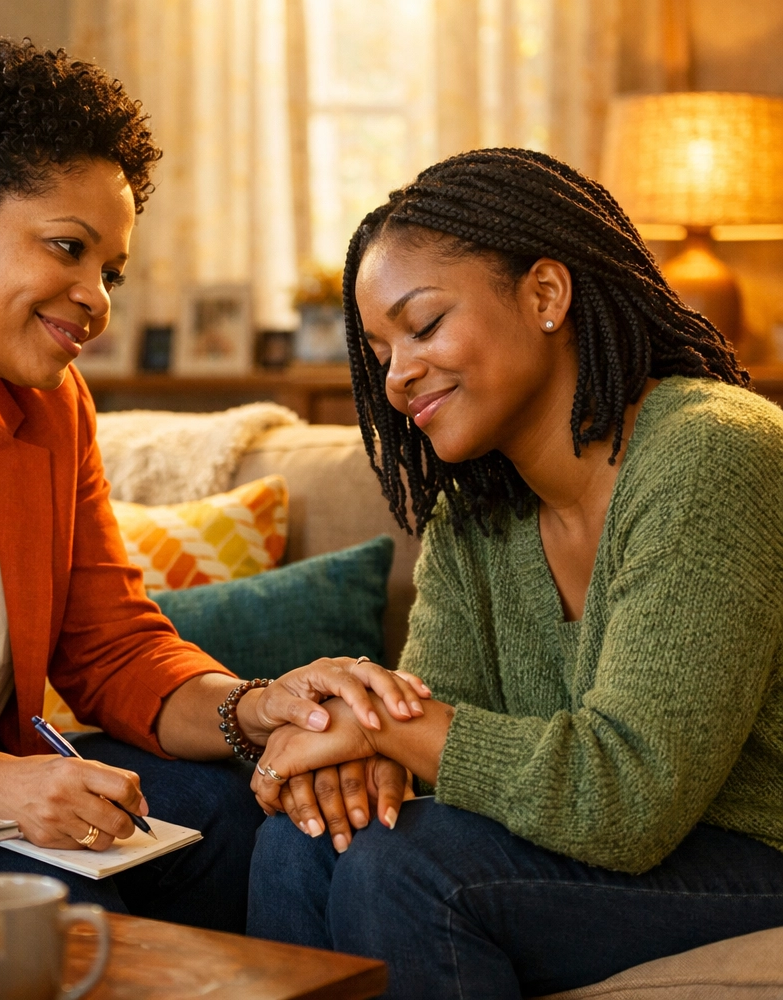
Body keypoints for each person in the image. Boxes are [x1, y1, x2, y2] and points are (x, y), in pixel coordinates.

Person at [0, 39, 432, 931]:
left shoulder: (45, 408)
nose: (99, 300)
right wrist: (8, 786)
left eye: (108, 271)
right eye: (67, 250)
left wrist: (254, 708)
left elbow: (111, 645)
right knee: (58, 899)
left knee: (255, 822)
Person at [246, 148, 783, 995]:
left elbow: (629, 796)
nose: (397, 377)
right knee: (307, 837)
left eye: (422, 327)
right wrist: (365, 750)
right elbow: (433, 726)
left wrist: (378, 725)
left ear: (545, 295)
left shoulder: (710, 453)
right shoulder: (475, 516)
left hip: (756, 852)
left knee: (406, 867)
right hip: (604, 852)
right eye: (381, 351)